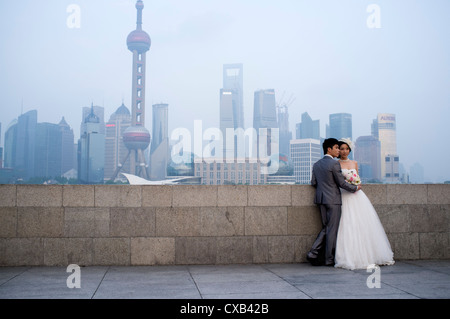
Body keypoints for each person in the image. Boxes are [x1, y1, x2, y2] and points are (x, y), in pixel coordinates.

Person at [334, 138, 395, 270]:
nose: (344, 151)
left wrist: (356, 184)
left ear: (350, 150)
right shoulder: (336, 164)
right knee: (348, 223)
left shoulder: (355, 163)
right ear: (338, 150)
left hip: (358, 195)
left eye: (346, 149)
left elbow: (357, 178)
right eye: (342, 149)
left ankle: (369, 255)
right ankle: (349, 256)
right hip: (345, 195)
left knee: (363, 223)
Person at [306, 138, 361, 266]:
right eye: (336, 148)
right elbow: (341, 183)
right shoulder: (334, 164)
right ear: (329, 149)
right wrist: (355, 188)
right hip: (333, 200)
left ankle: (314, 253)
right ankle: (327, 258)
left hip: (321, 199)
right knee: (332, 229)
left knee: (326, 227)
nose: (338, 150)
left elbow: (313, 182)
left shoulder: (316, 164)